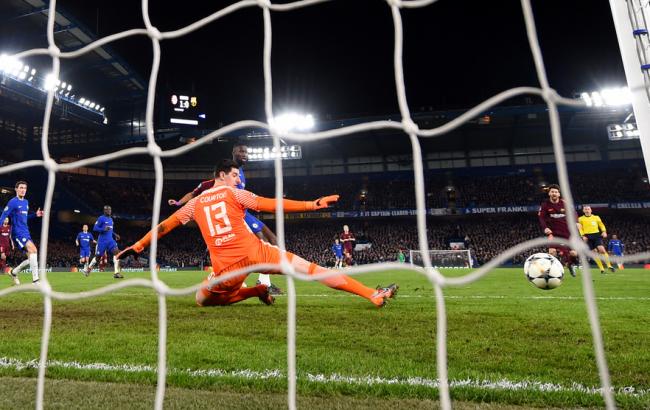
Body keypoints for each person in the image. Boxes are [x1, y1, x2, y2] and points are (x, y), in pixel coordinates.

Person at [119, 159, 398, 308]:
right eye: (235, 175)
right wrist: (310, 204)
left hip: (228, 268)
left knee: (202, 300)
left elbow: (165, 225)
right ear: (222, 175)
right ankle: (371, 294)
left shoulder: (194, 204)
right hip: (259, 253)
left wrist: (140, 245)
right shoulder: (234, 193)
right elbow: (271, 203)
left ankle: (254, 291)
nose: (238, 179)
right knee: (313, 270)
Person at [167, 142, 282, 295]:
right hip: (235, 214)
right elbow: (194, 193)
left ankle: (258, 280)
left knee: (273, 240)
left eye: (246, 152)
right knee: (263, 243)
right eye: (241, 151)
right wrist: (178, 203)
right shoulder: (217, 180)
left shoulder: (240, 172)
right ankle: (258, 282)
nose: (245, 154)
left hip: (245, 212)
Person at [0, 181, 43, 285]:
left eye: (25, 188)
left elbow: (24, 218)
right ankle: (35, 281)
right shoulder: (12, 202)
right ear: (16, 189)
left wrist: (35, 215)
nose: (23, 190)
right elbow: (3, 216)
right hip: (17, 233)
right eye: (21, 188)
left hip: (26, 231)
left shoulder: (26, 202)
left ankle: (14, 272)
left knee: (31, 258)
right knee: (34, 250)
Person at [537, 184, 580, 277]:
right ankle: (552, 273)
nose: (554, 193)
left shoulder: (565, 203)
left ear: (559, 194)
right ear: (549, 193)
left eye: (556, 192)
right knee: (552, 252)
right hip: (553, 233)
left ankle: (570, 264)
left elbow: (574, 213)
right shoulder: (545, 205)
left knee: (573, 253)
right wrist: (545, 228)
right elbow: (541, 218)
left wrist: (576, 222)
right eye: (552, 192)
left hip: (567, 233)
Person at [83, 205, 123, 278]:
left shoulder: (111, 219)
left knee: (117, 253)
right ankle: (88, 269)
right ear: (104, 211)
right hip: (102, 241)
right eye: (107, 210)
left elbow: (110, 229)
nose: (109, 211)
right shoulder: (101, 218)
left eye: (110, 209)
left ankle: (116, 273)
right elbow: (95, 228)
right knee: (98, 257)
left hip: (110, 240)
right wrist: (103, 229)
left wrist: (115, 234)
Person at [578, 205, 614, 274]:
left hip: (596, 235)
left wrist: (604, 231)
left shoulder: (596, 217)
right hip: (587, 236)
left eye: (588, 209)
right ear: (583, 211)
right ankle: (602, 269)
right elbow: (580, 228)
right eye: (585, 209)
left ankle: (609, 266)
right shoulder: (580, 219)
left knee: (602, 250)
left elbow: (601, 225)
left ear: (591, 210)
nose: (587, 210)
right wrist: (583, 236)